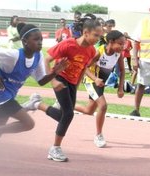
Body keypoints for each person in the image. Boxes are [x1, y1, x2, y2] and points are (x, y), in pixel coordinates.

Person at [0, 23, 67, 165]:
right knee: (28, 123)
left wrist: (54, 72)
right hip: (0, 95)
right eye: (36, 39)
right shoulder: (12, 55)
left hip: (9, 96)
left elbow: (41, 81)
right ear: (25, 41)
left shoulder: (38, 56)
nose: (39, 42)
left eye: (41, 40)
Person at [22, 16, 102, 162]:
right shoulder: (68, 45)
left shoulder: (91, 51)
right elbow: (46, 59)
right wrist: (52, 80)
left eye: (100, 36)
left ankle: (37, 104)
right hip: (60, 78)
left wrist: (76, 88)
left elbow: (82, 68)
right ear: (85, 33)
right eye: (96, 35)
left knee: (63, 116)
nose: (98, 39)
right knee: (69, 114)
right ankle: (55, 149)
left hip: (72, 83)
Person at [75, 30, 125, 148]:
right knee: (103, 106)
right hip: (91, 81)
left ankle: (64, 104)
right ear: (111, 42)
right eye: (120, 44)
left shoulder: (118, 54)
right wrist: (95, 79)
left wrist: (120, 88)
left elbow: (122, 71)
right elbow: (84, 67)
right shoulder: (99, 52)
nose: (123, 47)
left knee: (89, 111)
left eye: (124, 44)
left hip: (100, 84)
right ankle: (99, 135)